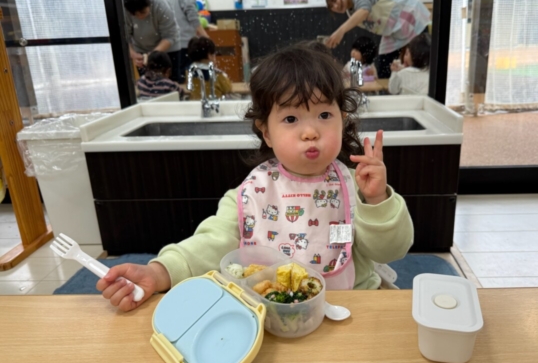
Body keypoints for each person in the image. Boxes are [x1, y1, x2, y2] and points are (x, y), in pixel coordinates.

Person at [97, 44, 414, 312]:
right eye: (291, 118)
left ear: (342, 121)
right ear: (267, 132)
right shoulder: (251, 194)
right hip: (272, 314)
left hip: (351, 308)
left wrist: (377, 201)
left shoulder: (356, 188)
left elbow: (392, 251)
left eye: (324, 115)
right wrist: (159, 272)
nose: (310, 131)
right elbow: (210, 244)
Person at [324, 0, 430, 79]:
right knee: (384, 69)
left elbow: (364, 11)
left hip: (411, 16)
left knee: (420, 64)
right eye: (331, 6)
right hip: (392, 31)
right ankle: (390, 91)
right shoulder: (351, 12)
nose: (335, 6)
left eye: (334, 0)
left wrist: (340, 31)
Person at [123, 0, 181, 82]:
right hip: (141, 51)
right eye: (134, 14)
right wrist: (133, 54)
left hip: (168, 51)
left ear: (148, 3)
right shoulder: (124, 7)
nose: (140, 17)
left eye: (143, 12)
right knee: (147, 86)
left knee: (171, 85)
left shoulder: (159, 3)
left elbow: (170, 35)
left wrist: (152, 55)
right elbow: (123, 36)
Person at [166, 0, 209, 83]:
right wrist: (205, 36)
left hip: (174, 44)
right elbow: (192, 16)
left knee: (177, 77)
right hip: (185, 43)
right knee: (188, 77)